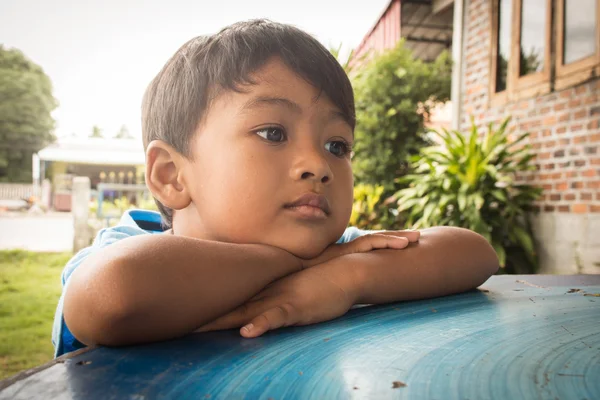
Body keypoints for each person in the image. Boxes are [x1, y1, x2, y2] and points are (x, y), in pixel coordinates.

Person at [52, 19, 499, 358]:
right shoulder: (120, 251)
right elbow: (112, 297)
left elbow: (473, 252)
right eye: (272, 134)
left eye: (336, 145)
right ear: (172, 175)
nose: (317, 165)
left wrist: (347, 278)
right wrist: (296, 265)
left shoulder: (336, 256)